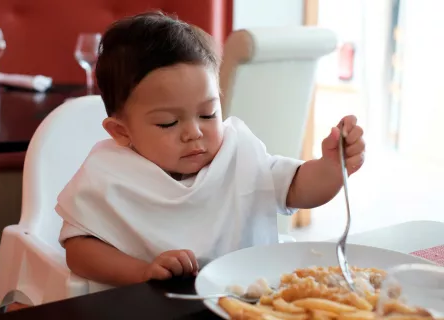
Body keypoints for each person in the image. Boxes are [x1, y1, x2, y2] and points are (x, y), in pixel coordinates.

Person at [55, 12, 365, 287]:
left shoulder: (237, 152)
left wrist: (331, 167)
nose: (194, 132)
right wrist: (142, 272)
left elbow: (298, 188)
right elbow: (79, 251)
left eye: (208, 114)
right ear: (122, 132)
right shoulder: (109, 173)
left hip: (249, 296)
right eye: (168, 123)